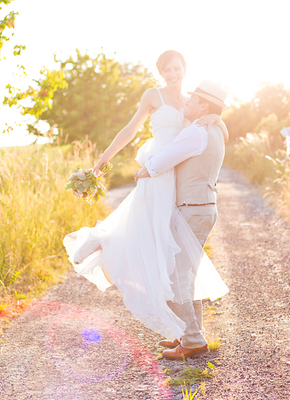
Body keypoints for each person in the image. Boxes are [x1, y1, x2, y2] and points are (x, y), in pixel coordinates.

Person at [63, 50, 228, 344]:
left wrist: (215, 115)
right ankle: (102, 241)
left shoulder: (193, 107)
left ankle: (185, 333)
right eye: (167, 70)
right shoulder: (154, 96)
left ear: (185, 68)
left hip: (178, 178)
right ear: (161, 73)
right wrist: (103, 158)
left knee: (177, 257)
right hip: (157, 171)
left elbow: (208, 119)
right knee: (149, 236)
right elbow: (130, 128)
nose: (172, 74)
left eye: (177, 68)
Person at [135, 80, 228, 359]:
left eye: (193, 100)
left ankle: (192, 340)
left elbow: (165, 158)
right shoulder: (209, 128)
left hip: (194, 207)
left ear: (204, 106)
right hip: (201, 207)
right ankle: (188, 333)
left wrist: (144, 170)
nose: (186, 103)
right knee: (186, 275)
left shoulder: (198, 131)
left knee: (177, 274)